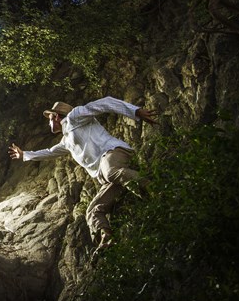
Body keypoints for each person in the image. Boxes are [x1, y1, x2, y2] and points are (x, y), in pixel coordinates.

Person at [8, 96, 158, 253]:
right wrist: (24, 154)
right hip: (106, 175)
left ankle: (154, 188)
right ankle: (107, 241)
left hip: (113, 153)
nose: (48, 123)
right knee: (92, 211)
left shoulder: (74, 116)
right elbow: (49, 152)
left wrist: (135, 111)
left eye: (50, 118)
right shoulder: (66, 141)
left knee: (111, 172)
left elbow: (105, 103)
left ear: (57, 116)